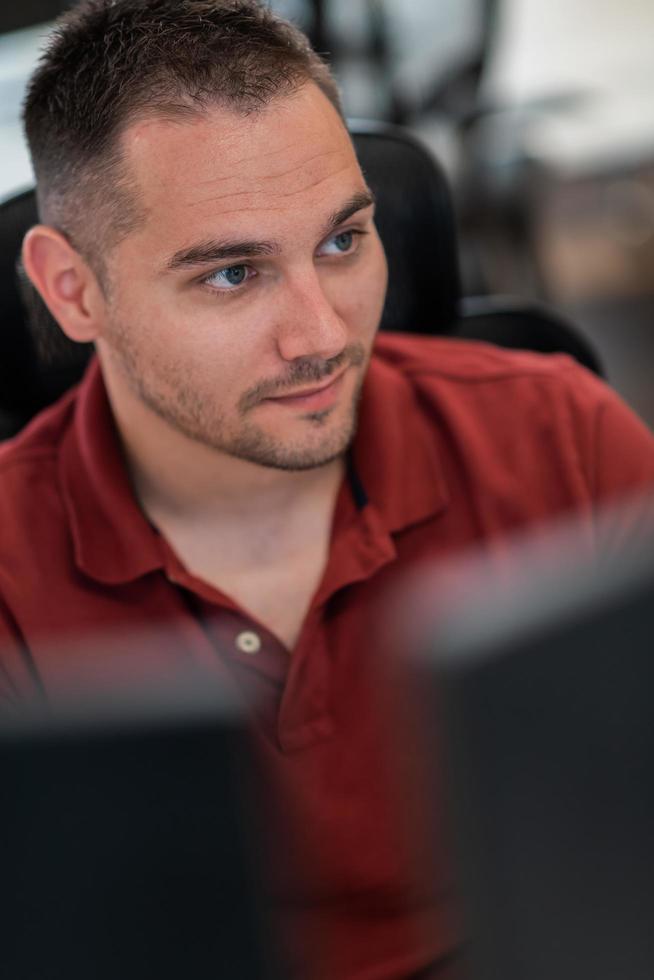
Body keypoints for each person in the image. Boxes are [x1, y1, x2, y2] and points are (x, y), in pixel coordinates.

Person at [1, 1, 654, 977]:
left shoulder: (558, 434)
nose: (322, 333)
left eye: (343, 241)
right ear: (73, 289)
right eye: (232, 274)